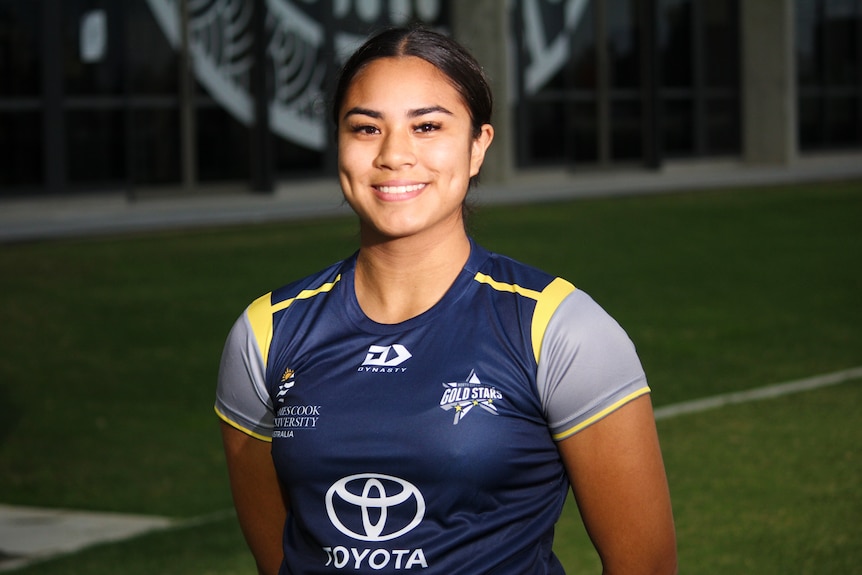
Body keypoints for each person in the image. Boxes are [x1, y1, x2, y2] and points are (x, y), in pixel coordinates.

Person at [216, 26, 677, 575]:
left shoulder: (559, 329)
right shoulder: (267, 333)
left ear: (478, 145)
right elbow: (281, 557)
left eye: (427, 126)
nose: (394, 155)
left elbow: (644, 564)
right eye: (366, 128)